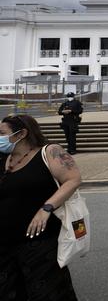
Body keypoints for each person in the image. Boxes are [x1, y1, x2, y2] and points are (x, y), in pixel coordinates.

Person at [0, 114, 82, 300]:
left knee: (46, 291)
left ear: (22, 134)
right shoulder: (4, 157)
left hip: (39, 242)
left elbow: (73, 179)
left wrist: (46, 208)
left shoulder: (50, 152)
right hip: (4, 242)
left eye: (2, 133)